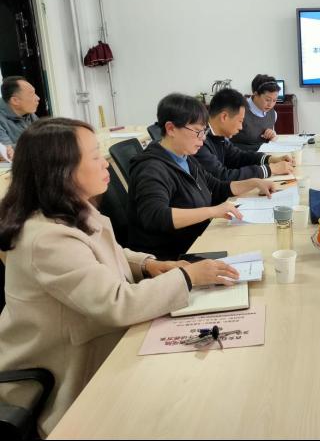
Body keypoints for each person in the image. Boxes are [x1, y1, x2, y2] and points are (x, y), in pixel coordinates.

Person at [0, 118, 240, 436]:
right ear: (60, 170)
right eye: (95, 156)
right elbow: (116, 304)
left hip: (97, 343)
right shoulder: (45, 238)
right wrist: (188, 276)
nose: (106, 164)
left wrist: (148, 265)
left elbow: (105, 253)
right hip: (65, 379)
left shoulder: (71, 210)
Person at [127, 94, 275, 260]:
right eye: (198, 131)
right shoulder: (151, 168)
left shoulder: (185, 157)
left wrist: (254, 182)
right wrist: (212, 211)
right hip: (173, 257)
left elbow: (216, 187)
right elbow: (156, 216)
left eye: (204, 131)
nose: (203, 138)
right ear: (171, 129)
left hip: (199, 239)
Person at [194, 88, 294, 182]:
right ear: (224, 117)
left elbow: (239, 157)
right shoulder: (199, 141)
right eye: (240, 121)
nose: (241, 127)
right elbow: (222, 176)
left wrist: (271, 159)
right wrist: (270, 169)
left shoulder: (218, 136)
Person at [230, 74, 280, 151]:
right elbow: (224, 143)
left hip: (264, 155)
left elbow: (272, 139)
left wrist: (272, 135)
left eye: (274, 100)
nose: (270, 105)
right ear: (255, 94)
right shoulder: (238, 110)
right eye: (267, 100)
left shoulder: (273, 114)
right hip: (241, 156)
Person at [0, 76, 40, 160]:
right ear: (15, 101)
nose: (38, 98)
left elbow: (46, 140)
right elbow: (7, 154)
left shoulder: (29, 113)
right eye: (31, 94)